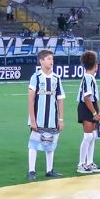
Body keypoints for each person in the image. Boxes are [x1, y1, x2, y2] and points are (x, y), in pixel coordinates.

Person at [27, 50, 65, 181]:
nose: (51, 61)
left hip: (52, 118)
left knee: (51, 143)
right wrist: (32, 119)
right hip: (38, 118)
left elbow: (60, 99)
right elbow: (31, 99)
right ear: (41, 61)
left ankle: (49, 170)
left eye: (52, 59)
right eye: (48, 59)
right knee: (34, 144)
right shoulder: (35, 77)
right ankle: (31, 170)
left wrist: (61, 119)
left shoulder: (56, 78)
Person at [75, 50, 100, 175]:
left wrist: (98, 111)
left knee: (92, 136)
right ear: (96, 65)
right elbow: (87, 98)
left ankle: (89, 163)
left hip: (90, 107)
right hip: (86, 108)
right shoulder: (88, 78)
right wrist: (94, 113)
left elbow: (93, 98)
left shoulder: (90, 77)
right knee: (88, 136)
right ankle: (81, 164)